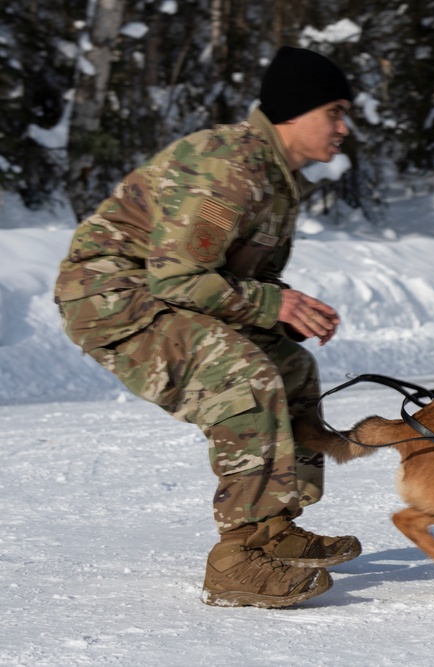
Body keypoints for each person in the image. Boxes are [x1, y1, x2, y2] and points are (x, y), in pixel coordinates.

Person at [54, 46, 359, 609]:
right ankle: (236, 561)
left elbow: (244, 277)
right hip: (112, 295)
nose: (345, 127)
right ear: (295, 111)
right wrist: (275, 306)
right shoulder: (230, 168)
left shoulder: (276, 176)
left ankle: (274, 527)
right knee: (239, 379)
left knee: (290, 369)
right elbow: (175, 278)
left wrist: (282, 314)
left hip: (162, 292)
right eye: (335, 111)